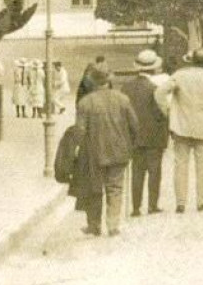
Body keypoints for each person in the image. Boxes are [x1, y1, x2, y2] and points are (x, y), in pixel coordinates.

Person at [71, 65, 138, 237]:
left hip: (94, 153)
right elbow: (134, 125)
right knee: (115, 188)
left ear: (92, 82)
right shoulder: (123, 99)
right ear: (109, 81)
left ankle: (94, 225)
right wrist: (131, 144)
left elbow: (79, 131)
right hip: (119, 151)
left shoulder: (85, 103)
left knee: (95, 188)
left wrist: (77, 149)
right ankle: (113, 224)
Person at [155, 48, 203, 213]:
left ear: (190, 61)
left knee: (180, 165)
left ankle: (181, 202)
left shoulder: (179, 76)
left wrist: (168, 111)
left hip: (181, 126)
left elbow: (159, 93)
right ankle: (201, 201)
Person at [120, 49, 169, 216]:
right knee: (155, 171)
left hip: (133, 136)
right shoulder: (156, 89)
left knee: (137, 171)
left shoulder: (126, 88)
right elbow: (162, 113)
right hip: (154, 136)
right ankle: (152, 205)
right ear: (154, 69)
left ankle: (135, 207)